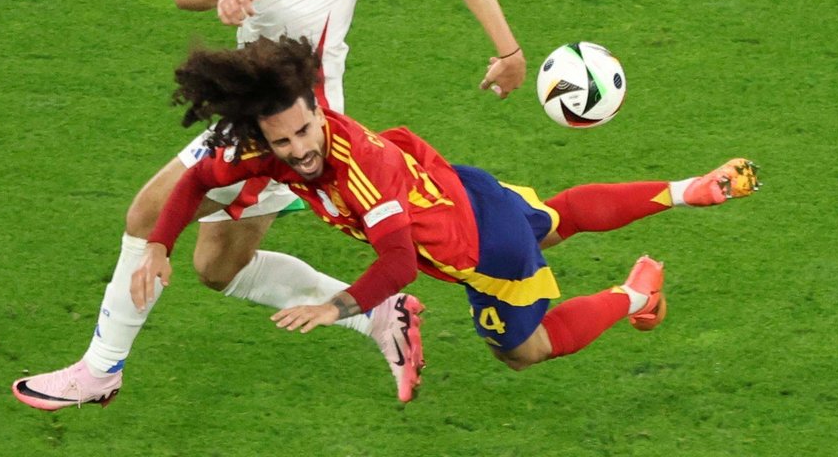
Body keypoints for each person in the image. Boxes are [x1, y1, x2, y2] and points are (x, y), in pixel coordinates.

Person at [12, 0, 526, 410]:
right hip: (250, 98)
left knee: (149, 214)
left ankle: (100, 370)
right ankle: (379, 313)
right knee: (216, 268)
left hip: (301, 120)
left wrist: (508, 52)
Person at [131, 37, 760, 386]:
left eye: (305, 133)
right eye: (283, 141)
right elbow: (198, 181)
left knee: (523, 351)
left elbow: (400, 262)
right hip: (465, 188)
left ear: (321, 114)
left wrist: (336, 306)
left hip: (487, 257)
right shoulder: (276, 144)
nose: (299, 151)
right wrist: (160, 242)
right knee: (557, 217)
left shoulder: (359, 168)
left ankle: (634, 295)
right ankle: (686, 189)